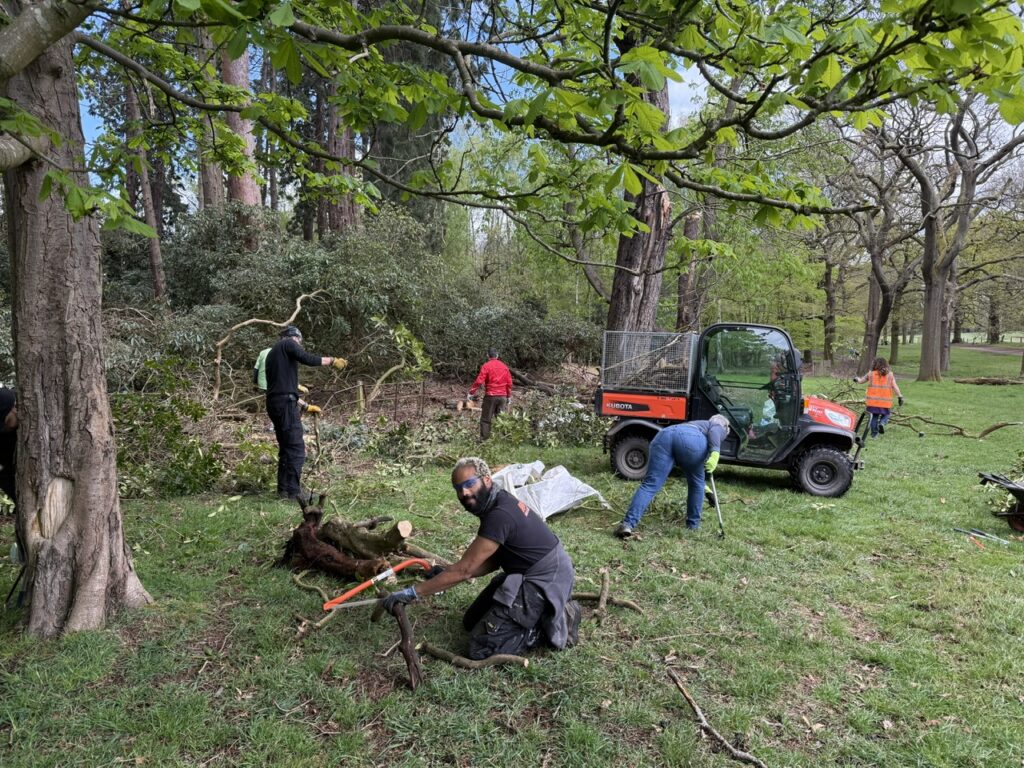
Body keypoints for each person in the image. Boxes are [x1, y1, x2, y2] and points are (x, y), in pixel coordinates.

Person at [382, 457, 581, 660]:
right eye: (458, 488)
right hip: (524, 571)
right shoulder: (495, 502)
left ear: (486, 480)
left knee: (481, 649)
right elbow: (492, 560)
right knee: (470, 621)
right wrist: (447, 573)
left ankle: (546, 625)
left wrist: (413, 593)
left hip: (547, 579)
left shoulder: (499, 514)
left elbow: (465, 571)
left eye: (469, 484)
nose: (464, 493)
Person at [265, 326, 347, 502]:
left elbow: (283, 387)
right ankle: (295, 493)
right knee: (296, 449)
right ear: (294, 337)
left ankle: (283, 490)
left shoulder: (274, 355)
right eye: (299, 341)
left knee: (286, 448)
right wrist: (332, 360)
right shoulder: (288, 343)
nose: (298, 345)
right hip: (284, 405)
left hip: (277, 403)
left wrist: (305, 405)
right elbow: (306, 358)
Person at [614, 414, 730, 538]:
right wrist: (715, 454)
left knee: (650, 484)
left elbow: (693, 473)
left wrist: (707, 491)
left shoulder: (697, 423)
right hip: (691, 440)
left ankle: (627, 524)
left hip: (664, 435)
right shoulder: (718, 424)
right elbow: (714, 430)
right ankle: (693, 526)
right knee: (695, 486)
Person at [853, 357, 904, 438]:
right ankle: (882, 423)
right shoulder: (890, 375)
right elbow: (895, 387)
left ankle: (874, 435)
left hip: (872, 402)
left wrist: (856, 379)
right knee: (887, 414)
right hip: (885, 402)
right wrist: (900, 396)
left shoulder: (871, 374)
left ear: (875, 364)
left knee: (874, 417)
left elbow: (861, 381)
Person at [467, 348, 512, 440]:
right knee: (502, 419)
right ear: (497, 355)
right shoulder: (504, 366)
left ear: (488, 355)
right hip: (502, 396)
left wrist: (471, 392)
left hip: (491, 396)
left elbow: (479, 380)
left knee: (486, 419)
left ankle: (484, 441)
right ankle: (506, 439)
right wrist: (509, 396)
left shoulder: (486, 366)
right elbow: (509, 383)